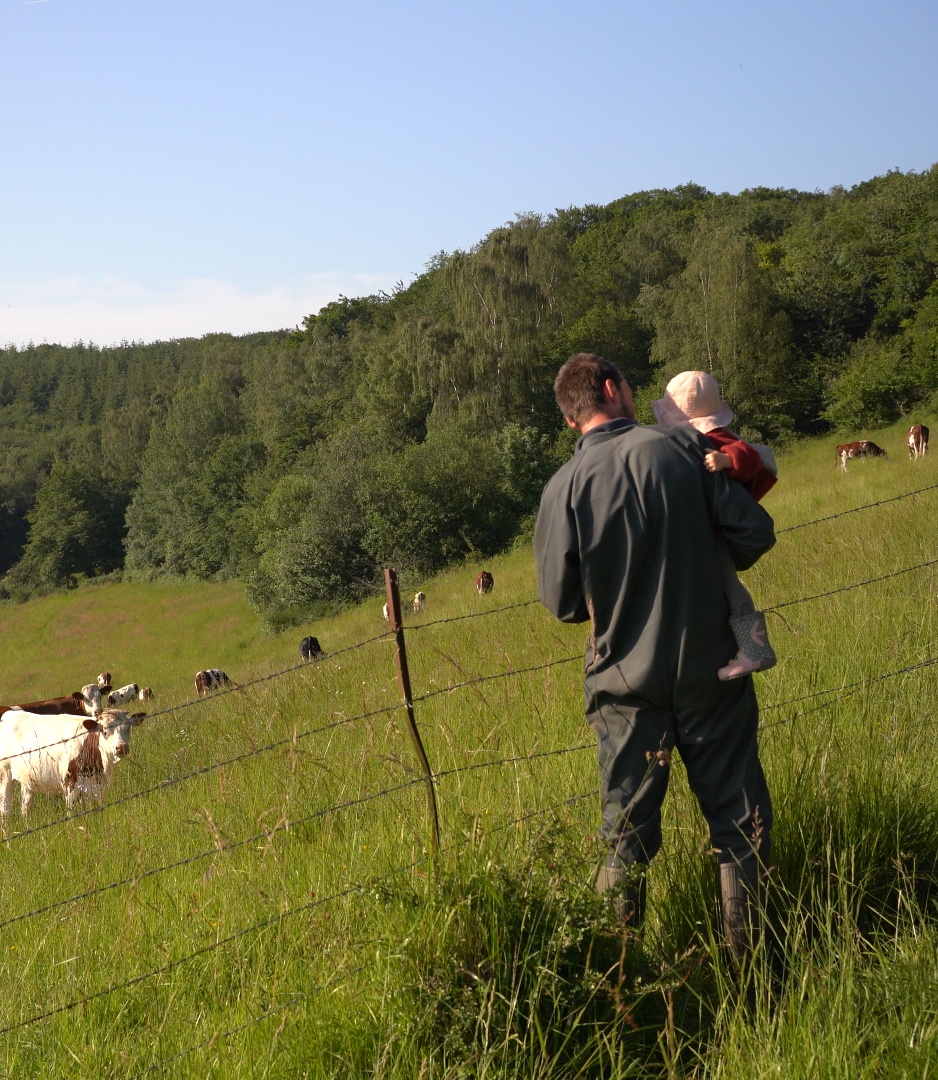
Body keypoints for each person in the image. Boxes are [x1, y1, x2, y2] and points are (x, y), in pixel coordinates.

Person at [534, 353, 775, 963]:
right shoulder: (682, 450)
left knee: (624, 840)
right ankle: (754, 976)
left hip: (622, 686)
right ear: (614, 389)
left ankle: (618, 989)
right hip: (712, 669)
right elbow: (754, 535)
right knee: (739, 826)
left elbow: (562, 603)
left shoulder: (561, 489)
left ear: (571, 420)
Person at [652, 370, 778, 681]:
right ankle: (751, 650)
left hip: (717, 529)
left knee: (728, 585)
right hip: (713, 524)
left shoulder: (713, 437)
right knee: (723, 584)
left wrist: (726, 460)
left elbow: (746, 454)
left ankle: (754, 652)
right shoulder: (704, 435)